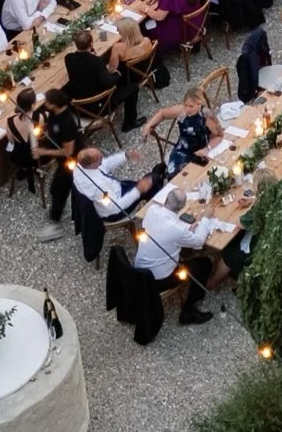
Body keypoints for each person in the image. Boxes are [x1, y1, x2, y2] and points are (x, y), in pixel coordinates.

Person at [134, 188, 230, 324]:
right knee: (204, 264)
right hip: (158, 279)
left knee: (182, 249)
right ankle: (189, 310)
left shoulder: (152, 210)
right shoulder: (177, 229)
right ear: (182, 207)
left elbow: (166, 230)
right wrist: (206, 219)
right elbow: (198, 241)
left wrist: (186, 229)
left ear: (166, 199)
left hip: (138, 270)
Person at [65, 27, 142, 131]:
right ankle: (130, 122)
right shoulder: (97, 61)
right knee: (133, 88)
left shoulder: (68, 59)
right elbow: (108, 82)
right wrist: (118, 74)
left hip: (79, 108)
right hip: (99, 108)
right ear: (91, 44)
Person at [33, 88, 84, 241]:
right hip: (64, 160)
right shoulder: (56, 114)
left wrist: (43, 152)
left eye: (47, 102)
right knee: (60, 189)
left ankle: (56, 224)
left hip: (72, 161)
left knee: (59, 189)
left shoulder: (67, 122)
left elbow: (68, 151)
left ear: (54, 104)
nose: (45, 104)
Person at [142, 85, 223, 176]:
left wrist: (207, 149)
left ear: (199, 104)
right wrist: (148, 125)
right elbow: (162, 114)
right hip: (182, 150)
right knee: (174, 176)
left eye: (191, 106)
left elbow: (219, 136)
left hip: (200, 151)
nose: (187, 109)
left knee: (201, 177)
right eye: (186, 105)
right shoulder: (181, 111)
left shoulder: (206, 115)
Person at [72, 146, 162, 221]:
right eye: (100, 158)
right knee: (153, 183)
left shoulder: (81, 166)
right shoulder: (98, 187)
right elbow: (115, 207)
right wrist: (138, 190)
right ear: (92, 164)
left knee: (150, 179)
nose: (103, 158)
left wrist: (126, 156)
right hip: (116, 210)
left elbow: (106, 163)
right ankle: (157, 214)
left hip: (116, 189)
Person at [6, 87, 39, 192]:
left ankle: (23, 169)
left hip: (20, 158)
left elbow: (11, 141)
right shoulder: (40, 117)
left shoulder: (10, 121)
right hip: (37, 157)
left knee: (6, 147)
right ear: (33, 104)